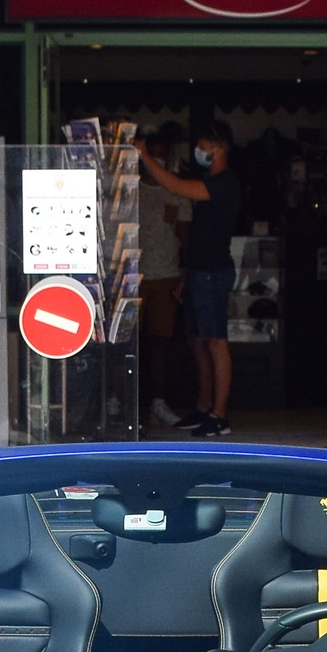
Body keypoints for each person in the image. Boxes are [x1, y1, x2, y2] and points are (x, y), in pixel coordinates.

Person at [136, 122, 242, 438]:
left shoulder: (224, 182)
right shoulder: (214, 180)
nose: (199, 152)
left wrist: (144, 157)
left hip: (212, 272)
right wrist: (188, 274)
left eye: (203, 146)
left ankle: (219, 415)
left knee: (215, 342)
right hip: (199, 271)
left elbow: (175, 187)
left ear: (217, 149)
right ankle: (203, 407)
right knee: (198, 342)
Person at [137, 126, 191, 428]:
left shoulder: (178, 190)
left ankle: (159, 402)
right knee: (128, 346)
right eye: (150, 158)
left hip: (167, 275)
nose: (155, 164)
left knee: (161, 343)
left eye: (160, 157)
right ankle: (125, 406)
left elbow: (186, 237)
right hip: (133, 276)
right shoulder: (131, 189)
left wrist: (185, 273)